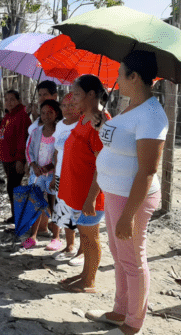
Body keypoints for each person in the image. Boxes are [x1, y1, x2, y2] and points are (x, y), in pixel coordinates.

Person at [85, 51, 168, 335]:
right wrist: (101, 125)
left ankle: (133, 324)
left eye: (121, 74)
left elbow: (147, 170)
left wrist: (129, 215)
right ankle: (120, 311)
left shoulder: (152, 114)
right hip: (115, 193)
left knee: (133, 259)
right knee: (120, 257)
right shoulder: (129, 107)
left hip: (132, 198)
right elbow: (118, 143)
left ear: (134, 76)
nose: (117, 79)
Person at [57, 74, 111, 293]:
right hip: (76, 189)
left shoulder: (101, 122)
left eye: (77, 94)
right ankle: (85, 273)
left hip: (90, 194)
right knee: (84, 235)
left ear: (91, 94)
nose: (73, 98)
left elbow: (102, 165)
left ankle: (89, 280)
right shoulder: (83, 117)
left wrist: (91, 198)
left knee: (91, 237)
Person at [22, 99, 62, 249]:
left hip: (53, 175)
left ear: (56, 113)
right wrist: (33, 164)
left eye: (50, 112)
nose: (46, 116)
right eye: (43, 113)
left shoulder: (60, 133)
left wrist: (50, 166)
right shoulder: (36, 132)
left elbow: (60, 153)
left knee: (54, 204)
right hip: (37, 174)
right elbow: (29, 150)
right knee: (36, 203)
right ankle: (33, 236)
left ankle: (56, 237)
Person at [50, 93, 82, 260]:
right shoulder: (60, 125)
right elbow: (57, 152)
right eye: (64, 105)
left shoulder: (84, 124)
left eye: (72, 105)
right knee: (64, 211)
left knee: (80, 215)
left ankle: (83, 251)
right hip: (61, 176)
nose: (68, 109)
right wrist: (55, 175)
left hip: (78, 177)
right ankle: (70, 246)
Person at [0, 90, 32, 224]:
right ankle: (16, 215)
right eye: (6, 99)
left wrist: (20, 160)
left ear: (18, 101)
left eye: (12, 99)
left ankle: (20, 217)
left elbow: (22, 140)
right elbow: (3, 133)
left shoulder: (21, 116)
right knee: (12, 187)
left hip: (15, 159)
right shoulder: (8, 116)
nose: (9, 102)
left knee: (14, 188)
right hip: (6, 158)